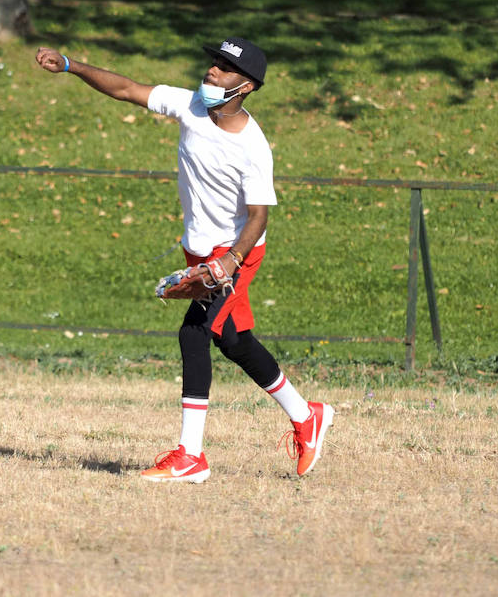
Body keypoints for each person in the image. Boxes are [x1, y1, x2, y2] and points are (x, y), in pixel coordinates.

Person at [34, 39, 334, 483]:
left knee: (193, 334)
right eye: (214, 62)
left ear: (246, 86)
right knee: (232, 341)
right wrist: (69, 66)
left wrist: (231, 260)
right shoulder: (191, 104)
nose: (213, 71)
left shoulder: (253, 146)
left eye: (226, 68)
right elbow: (126, 89)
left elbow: (259, 216)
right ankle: (306, 414)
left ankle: (191, 456)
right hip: (199, 248)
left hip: (236, 251)